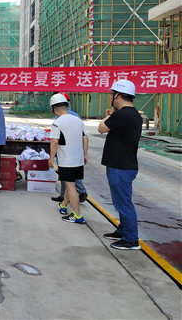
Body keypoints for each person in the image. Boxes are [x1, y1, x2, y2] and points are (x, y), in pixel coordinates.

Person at [98, 80, 143, 250]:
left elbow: (101, 128)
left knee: (123, 204)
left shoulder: (122, 114)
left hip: (121, 167)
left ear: (118, 95)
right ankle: (123, 230)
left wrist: (111, 113)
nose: (110, 96)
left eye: (112, 93)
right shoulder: (132, 114)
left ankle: (131, 239)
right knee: (122, 201)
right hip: (123, 166)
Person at [47, 94, 88, 224]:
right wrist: (85, 154)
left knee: (70, 186)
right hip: (78, 159)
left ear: (54, 108)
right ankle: (64, 205)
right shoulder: (78, 120)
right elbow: (85, 138)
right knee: (70, 183)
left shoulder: (57, 122)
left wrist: (51, 159)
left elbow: (54, 142)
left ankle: (77, 216)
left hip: (66, 159)